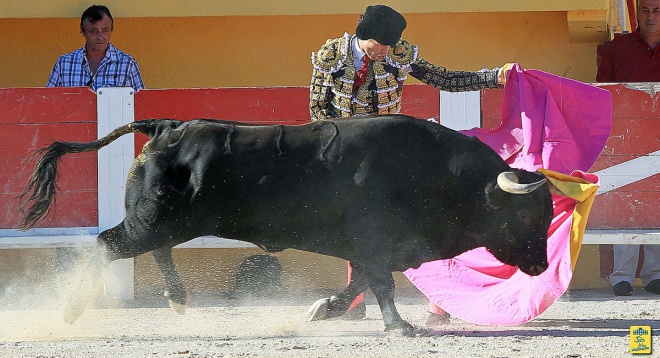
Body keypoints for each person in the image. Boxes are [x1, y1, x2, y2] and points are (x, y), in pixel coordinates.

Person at [309, 4, 513, 321]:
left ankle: (440, 301)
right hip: (350, 157)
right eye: (382, 45)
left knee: (426, 218)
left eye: (391, 45)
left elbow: (442, 78)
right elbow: (318, 113)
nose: (387, 52)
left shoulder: (398, 54)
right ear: (364, 37)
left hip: (393, 151)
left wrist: (491, 78)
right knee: (358, 227)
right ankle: (354, 301)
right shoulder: (332, 57)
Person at [596, 0, 660, 296]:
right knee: (626, 204)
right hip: (626, 137)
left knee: (657, 204)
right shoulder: (619, 48)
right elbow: (601, 91)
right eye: (646, 10)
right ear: (638, 13)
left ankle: (654, 274)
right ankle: (620, 276)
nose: (651, 16)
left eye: (657, 10)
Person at [46, 5, 144, 92]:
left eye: (105, 31)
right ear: (83, 32)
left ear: (111, 30)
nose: (100, 36)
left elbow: (141, 104)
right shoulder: (63, 64)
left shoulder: (127, 64)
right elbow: (47, 100)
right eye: (94, 31)